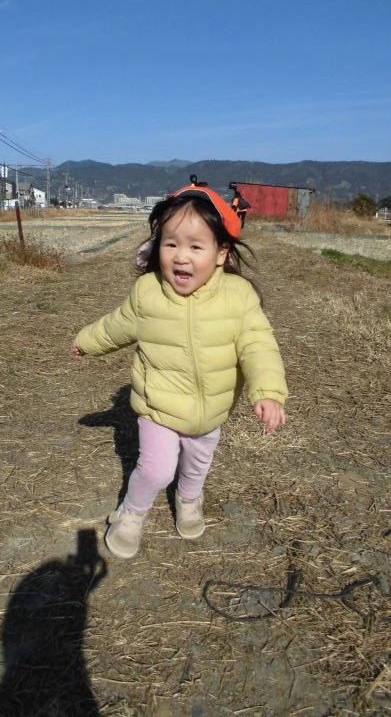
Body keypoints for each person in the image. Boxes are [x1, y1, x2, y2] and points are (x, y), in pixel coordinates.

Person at [71, 180, 287, 559]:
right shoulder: (148, 293)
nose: (181, 257)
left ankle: (189, 502)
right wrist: (86, 341)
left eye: (195, 246)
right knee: (156, 470)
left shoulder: (238, 297)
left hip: (211, 414)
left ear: (221, 253)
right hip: (159, 408)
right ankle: (131, 514)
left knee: (196, 467)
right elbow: (116, 325)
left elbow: (259, 346)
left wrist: (267, 391)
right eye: (171, 244)